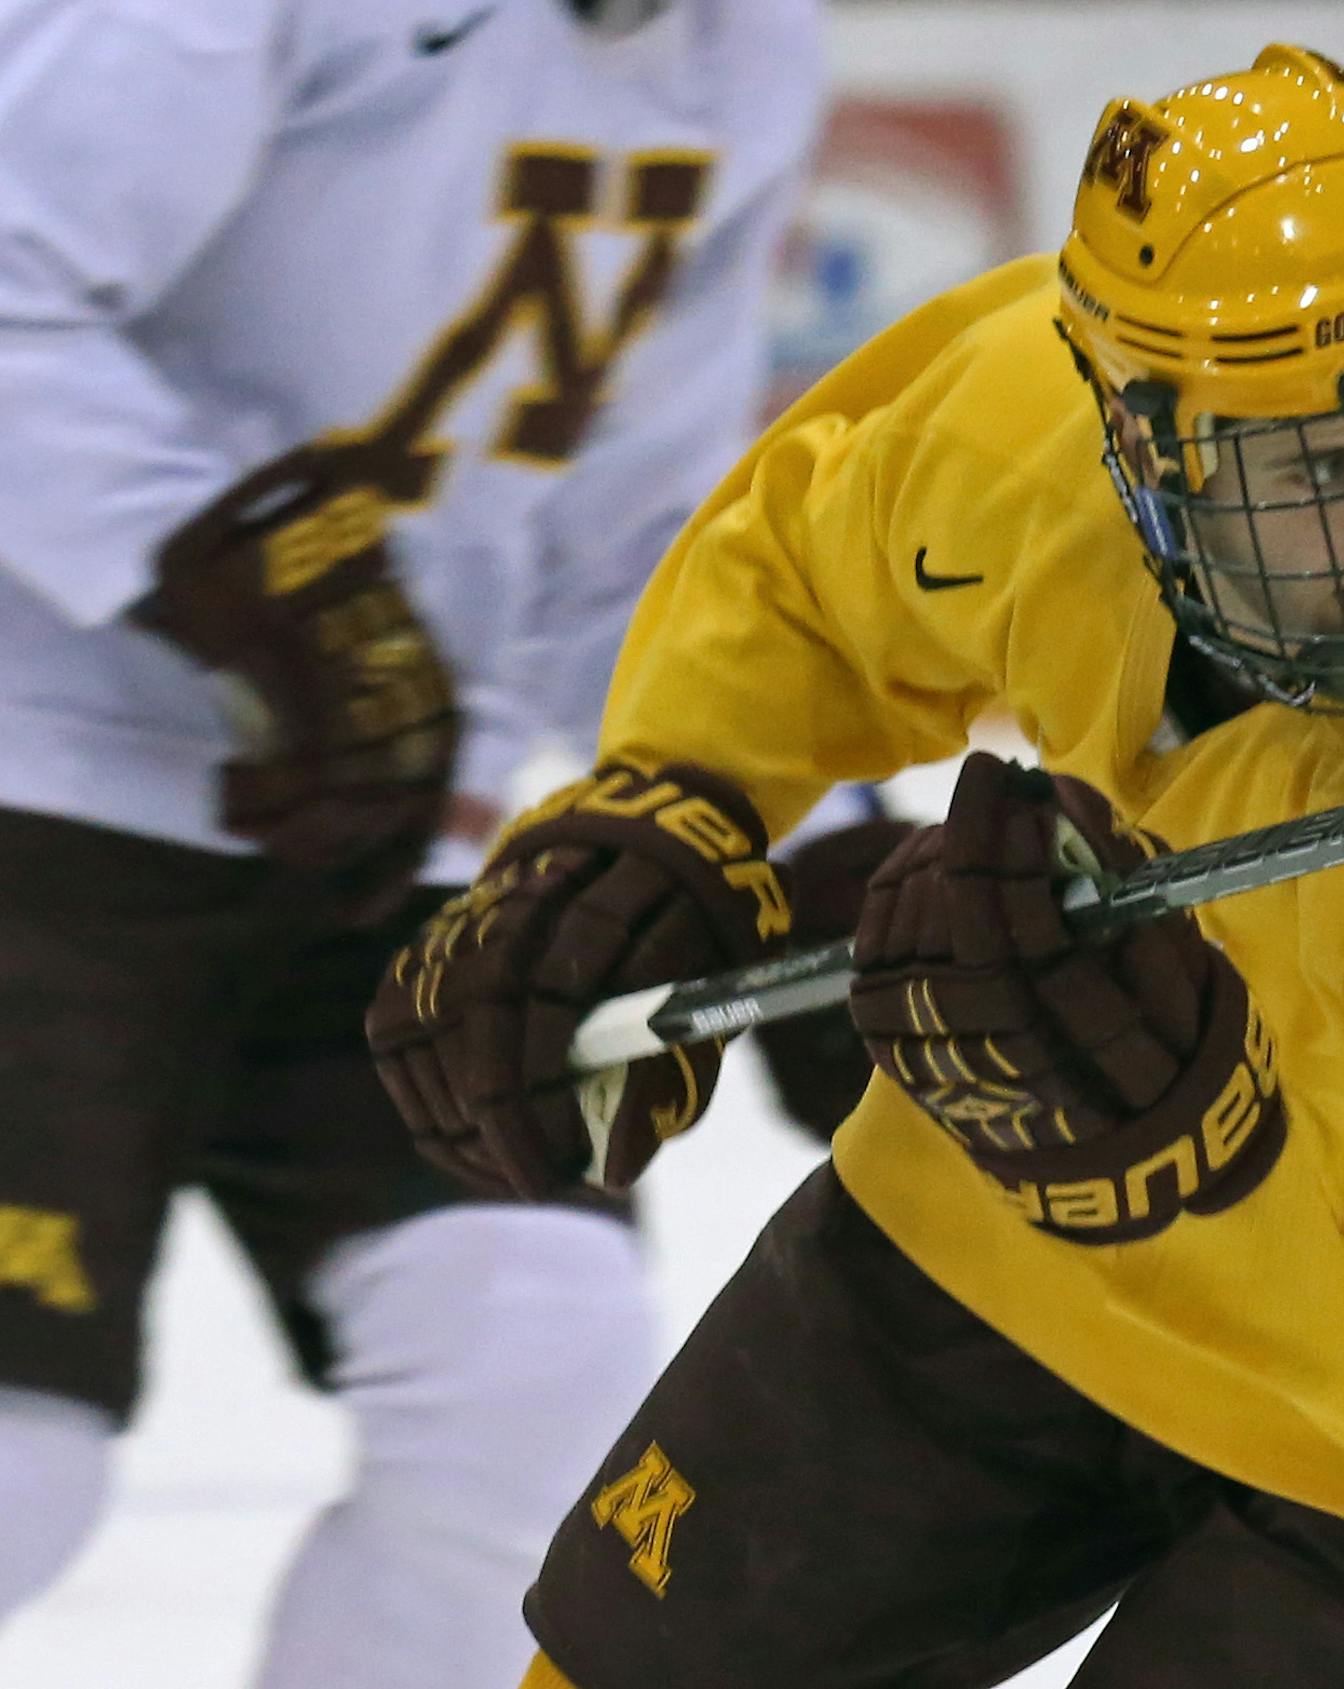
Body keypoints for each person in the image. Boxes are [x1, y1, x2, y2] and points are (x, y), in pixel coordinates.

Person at [368, 43, 1344, 1688]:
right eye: (1306, 473)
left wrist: (1195, 1152)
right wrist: (672, 807)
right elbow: (805, 577)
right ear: (1148, 452)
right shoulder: (1035, 446)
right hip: (1066, 1178)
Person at [0, 3, 880, 1684]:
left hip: (389, 831)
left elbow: (636, 528)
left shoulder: (746, 46)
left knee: (533, 1380)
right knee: (14, 1461)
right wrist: (236, 570)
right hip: (38, 793)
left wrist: (807, 839)